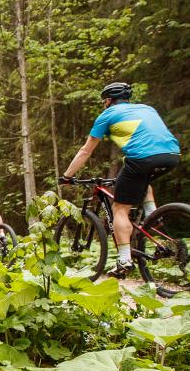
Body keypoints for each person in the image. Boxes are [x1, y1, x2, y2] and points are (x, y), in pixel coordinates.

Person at [60, 82, 181, 277]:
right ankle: (152, 216)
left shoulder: (106, 115)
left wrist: (67, 176)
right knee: (143, 179)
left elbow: (85, 151)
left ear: (108, 101)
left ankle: (124, 260)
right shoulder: (147, 108)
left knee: (120, 209)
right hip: (172, 155)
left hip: (142, 158)